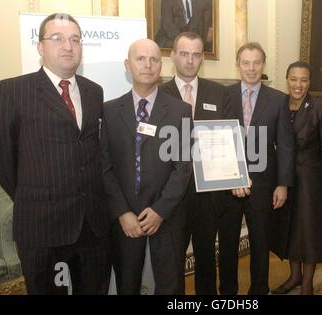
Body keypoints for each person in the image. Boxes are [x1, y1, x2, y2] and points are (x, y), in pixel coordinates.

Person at [0, 13, 111, 294]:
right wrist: (33, 192)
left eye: (75, 39)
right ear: (40, 47)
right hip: (42, 228)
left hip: (92, 227)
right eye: (57, 38)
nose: (68, 46)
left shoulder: (94, 92)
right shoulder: (12, 90)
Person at [101, 39, 193, 295]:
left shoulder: (180, 111)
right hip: (125, 220)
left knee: (170, 286)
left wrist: (160, 210)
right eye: (141, 59)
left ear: (160, 66)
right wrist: (122, 212)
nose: (148, 65)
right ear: (127, 65)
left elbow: (183, 166)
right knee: (126, 285)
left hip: (167, 216)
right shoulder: (108, 111)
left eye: (154, 59)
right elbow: (104, 167)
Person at [160, 31, 238, 295]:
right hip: (172, 197)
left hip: (208, 196)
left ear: (202, 58)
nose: (190, 60)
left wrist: (237, 174)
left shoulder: (218, 93)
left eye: (195, 54)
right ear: (172, 55)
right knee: (173, 263)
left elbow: (229, 138)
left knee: (206, 258)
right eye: (184, 53)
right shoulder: (160, 94)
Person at [228, 42, 295, 295]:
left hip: (264, 185)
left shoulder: (278, 99)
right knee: (228, 243)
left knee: (260, 242)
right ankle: (228, 292)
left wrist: (282, 184)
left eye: (256, 62)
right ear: (238, 65)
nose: (251, 68)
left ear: (263, 65)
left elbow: (286, 145)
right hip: (228, 185)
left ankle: (259, 291)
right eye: (246, 62)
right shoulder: (225, 95)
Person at [271, 62, 322, 295]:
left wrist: (310, 173)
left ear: (310, 82)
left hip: (309, 182)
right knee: (289, 229)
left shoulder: (321, 109)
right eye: (294, 79)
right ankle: (294, 276)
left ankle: (307, 282)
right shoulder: (278, 105)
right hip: (282, 179)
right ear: (286, 79)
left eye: (304, 79)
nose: (298, 85)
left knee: (309, 232)